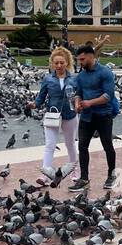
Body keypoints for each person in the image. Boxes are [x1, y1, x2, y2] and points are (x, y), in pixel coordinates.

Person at [69, 44, 119, 191]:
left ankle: (111, 175)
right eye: (78, 60)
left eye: (83, 59)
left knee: (107, 145)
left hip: (103, 115)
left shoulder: (105, 72)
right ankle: (84, 178)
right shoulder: (82, 75)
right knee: (82, 146)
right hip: (86, 117)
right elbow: (79, 92)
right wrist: (78, 103)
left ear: (91, 56)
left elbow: (108, 95)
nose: (80, 63)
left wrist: (90, 102)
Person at [31, 47, 78, 180]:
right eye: (56, 63)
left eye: (61, 63)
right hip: (52, 115)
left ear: (67, 63)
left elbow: (79, 96)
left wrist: (80, 105)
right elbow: (41, 97)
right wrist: (34, 104)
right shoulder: (48, 79)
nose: (58, 65)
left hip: (70, 115)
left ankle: (74, 172)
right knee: (50, 145)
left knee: (70, 144)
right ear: (52, 63)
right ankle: (45, 175)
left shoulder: (74, 79)